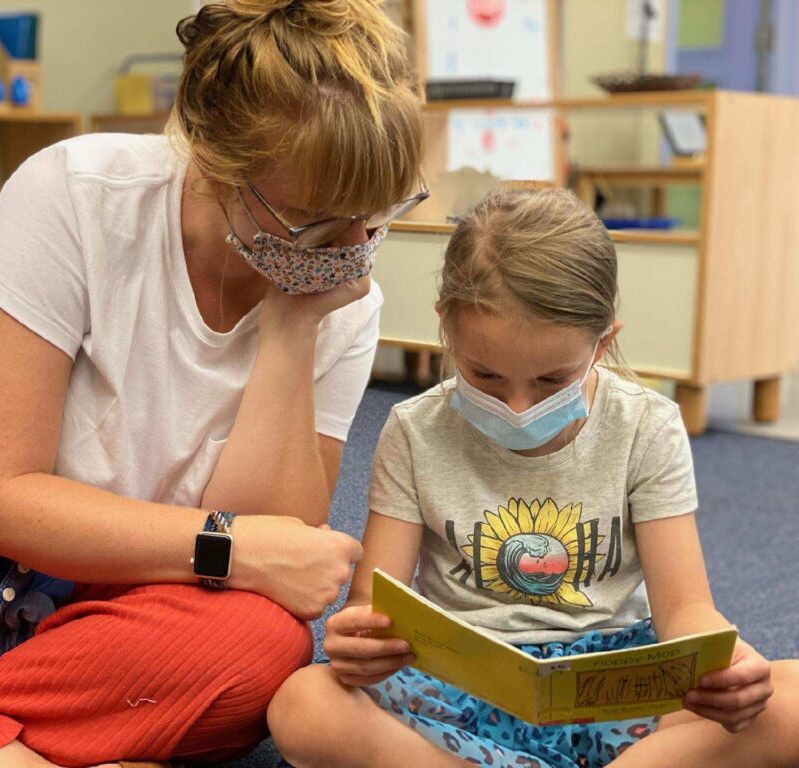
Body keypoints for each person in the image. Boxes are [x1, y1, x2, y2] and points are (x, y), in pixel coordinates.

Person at [0, 2, 427, 766]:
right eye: (315, 220)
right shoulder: (77, 193)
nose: (354, 249)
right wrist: (227, 548)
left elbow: (275, 549)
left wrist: (290, 333)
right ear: (216, 166)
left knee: (255, 646)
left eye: (375, 215)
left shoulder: (340, 296)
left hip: (144, 587)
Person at [267, 189, 799, 768]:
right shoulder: (413, 430)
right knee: (304, 705)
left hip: (617, 682)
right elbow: (374, 603)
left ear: (603, 343)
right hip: (459, 680)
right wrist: (357, 638)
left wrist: (725, 659)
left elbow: (686, 610)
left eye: (550, 380)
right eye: (486, 374)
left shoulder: (647, 425)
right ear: (446, 326)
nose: (518, 406)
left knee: (784, 699)